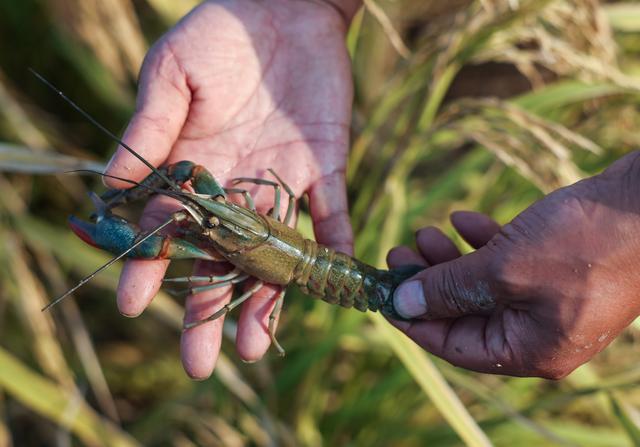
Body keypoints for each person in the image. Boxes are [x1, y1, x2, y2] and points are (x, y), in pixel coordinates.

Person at [105, 0, 640, 380]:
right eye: (218, 213)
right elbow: (205, 185)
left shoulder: (235, 220)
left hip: (348, 281)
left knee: (188, 231)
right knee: (201, 198)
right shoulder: (235, 209)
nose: (210, 211)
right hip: (310, 259)